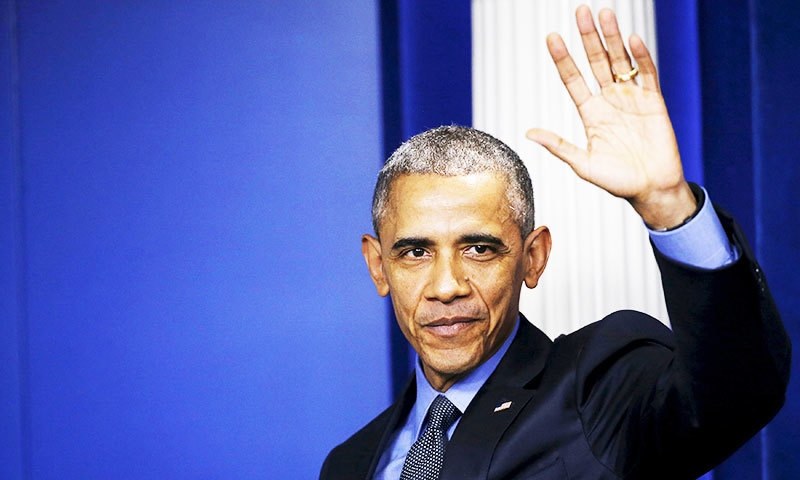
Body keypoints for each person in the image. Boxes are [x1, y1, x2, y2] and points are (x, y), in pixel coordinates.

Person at [320, 5, 790, 480]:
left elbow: (737, 392)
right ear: (378, 266)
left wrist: (668, 205)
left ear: (533, 257)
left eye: (479, 249)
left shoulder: (599, 388)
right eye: (415, 252)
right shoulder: (349, 464)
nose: (446, 287)